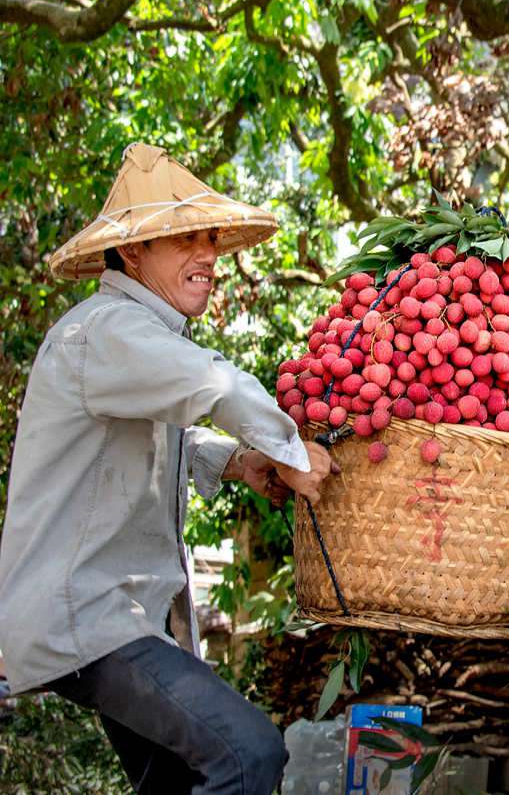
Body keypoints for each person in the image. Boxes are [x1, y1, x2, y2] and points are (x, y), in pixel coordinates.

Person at [0, 143, 339, 794]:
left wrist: (240, 462)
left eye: (210, 238)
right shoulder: (108, 331)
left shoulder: (128, 337)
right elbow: (219, 388)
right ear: (132, 253)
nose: (208, 255)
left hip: (114, 615)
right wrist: (295, 454)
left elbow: (159, 445)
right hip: (92, 617)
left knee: (179, 778)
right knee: (248, 756)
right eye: (184, 239)